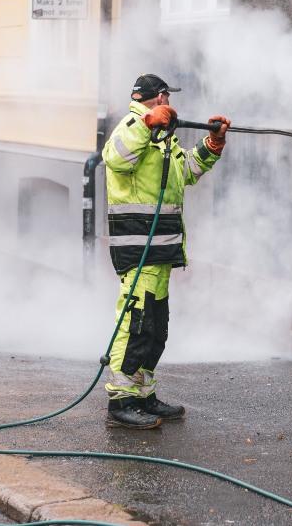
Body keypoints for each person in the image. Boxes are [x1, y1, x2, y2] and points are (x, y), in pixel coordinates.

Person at [101, 73, 230, 429]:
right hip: (138, 248)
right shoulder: (132, 125)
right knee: (134, 323)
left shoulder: (162, 139)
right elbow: (114, 158)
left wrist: (213, 143)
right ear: (159, 98)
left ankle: (143, 396)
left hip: (160, 249)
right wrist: (146, 125)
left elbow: (185, 171)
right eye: (166, 98)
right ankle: (120, 402)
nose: (170, 104)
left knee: (155, 328)